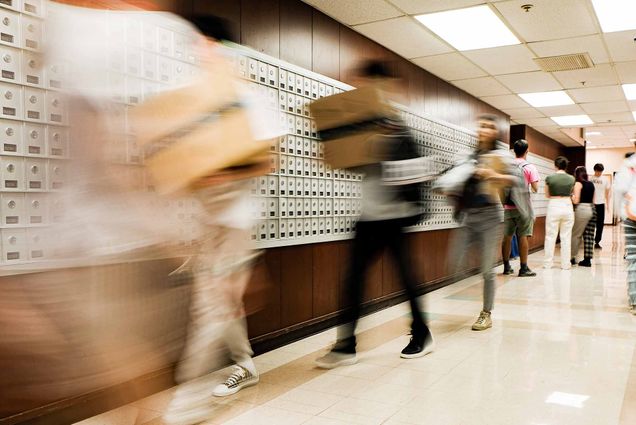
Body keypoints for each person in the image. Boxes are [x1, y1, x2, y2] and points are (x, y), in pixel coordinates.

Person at [314, 60, 433, 369]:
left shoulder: (397, 125)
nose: (360, 89)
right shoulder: (360, 122)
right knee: (352, 280)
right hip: (368, 215)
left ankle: (421, 334)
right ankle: (346, 345)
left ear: (382, 85)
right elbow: (353, 163)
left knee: (407, 279)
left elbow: (413, 170)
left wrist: (381, 142)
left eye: (366, 83)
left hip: (396, 215)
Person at [448, 115, 517, 331]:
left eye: (489, 127)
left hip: (490, 217)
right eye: (481, 126)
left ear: (495, 132)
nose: (484, 130)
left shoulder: (500, 155)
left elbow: (515, 180)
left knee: (487, 270)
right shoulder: (468, 156)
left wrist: (493, 174)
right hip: (469, 216)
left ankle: (486, 312)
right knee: (453, 262)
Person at [501, 139, 540, 277]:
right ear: (527, 150)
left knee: (507, 237)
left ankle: (506, 267)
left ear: (514, 151)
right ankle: (523, 268)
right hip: (523, 207)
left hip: (508, 206)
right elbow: (535, 189)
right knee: (523, 236)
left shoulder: (507, 167)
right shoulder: (530, 167)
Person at [543, 157, 575, 270]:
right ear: (566, 166)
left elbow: (546, 195)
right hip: (567, 205)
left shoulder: (549, 178)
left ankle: (548, 263)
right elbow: (572, 193)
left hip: (554, 204)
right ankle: (566, 264)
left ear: (555, 165)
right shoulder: (571, 178)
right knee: (566, 237)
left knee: (550, 236)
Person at [614, 153, 636, 315]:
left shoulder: (627, 166)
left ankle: (634, 301)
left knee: (633, 258)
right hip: (630, 215)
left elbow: (618, 193)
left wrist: (620, 214)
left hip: (630, 216)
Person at [570, 166, 595, 267]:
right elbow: (593, 200)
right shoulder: (591, 184)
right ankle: (587, 260)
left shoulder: (578, 184)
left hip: (582, 209)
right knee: (589, 235)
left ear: (576, 174)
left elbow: (576, 200)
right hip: (592, 208)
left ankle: (572, 257)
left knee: (576, 235)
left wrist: (571, 196)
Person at [591, 163, 610, 249]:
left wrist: (608, 204)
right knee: (591, 223)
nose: (599, 173)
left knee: (600, 224)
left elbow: (607, 193)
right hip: (592, 204)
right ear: (594, 170)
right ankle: (590, 240)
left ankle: (597, 241)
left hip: (601, 204)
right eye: (598, 171)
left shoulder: (605, 179)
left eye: (600, 172)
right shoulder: (590, 179)